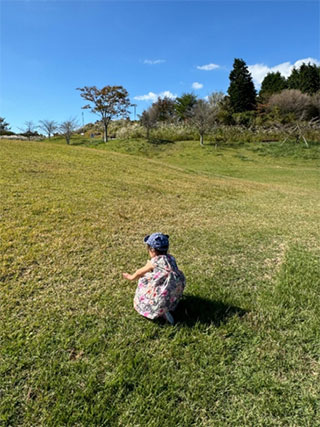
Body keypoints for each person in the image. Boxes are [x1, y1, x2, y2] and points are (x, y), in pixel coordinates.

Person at [123, 233, 186, 324]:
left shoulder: (153, 262)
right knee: (166, 287)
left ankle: (159, 310)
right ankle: (168, 306)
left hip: (162, 293)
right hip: (176, 287)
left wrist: (131, 277)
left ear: (152, 250)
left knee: (143, 280)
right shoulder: (171, 258)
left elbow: (139, 272)